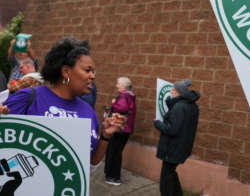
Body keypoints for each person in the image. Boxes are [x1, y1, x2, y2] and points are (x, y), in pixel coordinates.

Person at [0, 37, 126, 167]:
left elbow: (90, 164)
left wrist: (105, 136)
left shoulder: (89, 112)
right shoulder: (28, 97)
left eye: (93, 72)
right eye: (87, 70)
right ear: (66, 71)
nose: (93, 76)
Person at [153, 79, 200, 196]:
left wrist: (157, 123)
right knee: (170, 172)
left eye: (174, 90)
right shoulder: (192, 105)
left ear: (180, 93)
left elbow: (172, 129)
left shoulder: (179, 107)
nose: (171, 91)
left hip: (172, 147)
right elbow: (181, 122)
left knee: (166, 177)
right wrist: (172, 104)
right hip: (181, 146)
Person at [104, 77, 136, 186]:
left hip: (120, 129)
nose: (117, 85)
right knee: (116, 151)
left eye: (118, 84)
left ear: (123, 86)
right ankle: (112, 175)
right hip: (125, 129)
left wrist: (113, 103)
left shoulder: (124, 95)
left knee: (114, 152)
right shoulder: (129, 95)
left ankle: (113, 177)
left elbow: (122, 108)